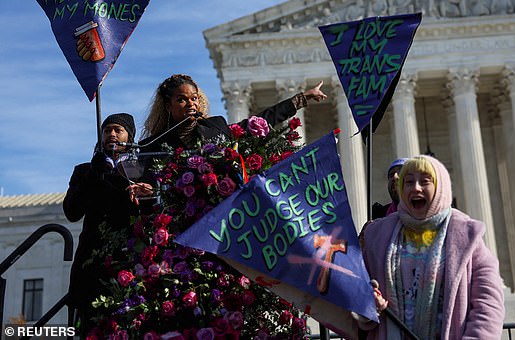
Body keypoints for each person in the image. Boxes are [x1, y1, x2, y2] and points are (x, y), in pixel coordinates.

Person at [359, 155, 505, 339]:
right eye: (409, 182)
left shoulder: (467, 236)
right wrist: (369, 305)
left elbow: (488, 305)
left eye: (424, 181)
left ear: (440, 187)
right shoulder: (378, 236)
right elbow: (357, 298)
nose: (416, 188)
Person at [63, 113, 152, 332]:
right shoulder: (84, 171)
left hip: (129, 262)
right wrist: (94, 175)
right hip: (91, 266)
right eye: (106, 130)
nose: (111, 134)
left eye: (117, 130)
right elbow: (72, 212)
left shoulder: (141, 169)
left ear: (129, 136)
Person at [140, 74, 327, 152]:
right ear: (168, 106)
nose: (190, 103)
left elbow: (260, 121)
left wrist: (302, 98)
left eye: (194, 98)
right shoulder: (153, 145)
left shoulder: (215, 127)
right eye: (181, 99)